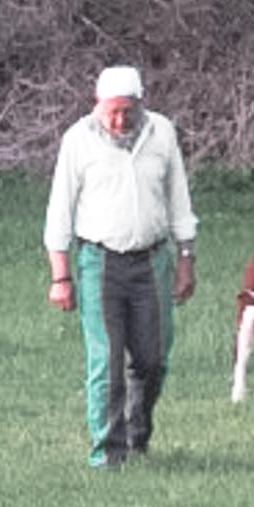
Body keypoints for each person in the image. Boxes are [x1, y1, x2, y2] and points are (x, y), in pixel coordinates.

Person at [42, 64, 198, 467]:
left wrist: (186, 258)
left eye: (127, 110)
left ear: (141, 104)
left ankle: (137, 433)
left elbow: (178, 197)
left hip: (152, 260)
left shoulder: (161, 132)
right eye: (111, 111)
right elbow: (60, 209)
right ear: (97, 104)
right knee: (107, 361)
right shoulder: (78, 140)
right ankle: (107, 454)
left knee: (153, 357)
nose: (119, 119)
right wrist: (61, 275)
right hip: (101, 263)